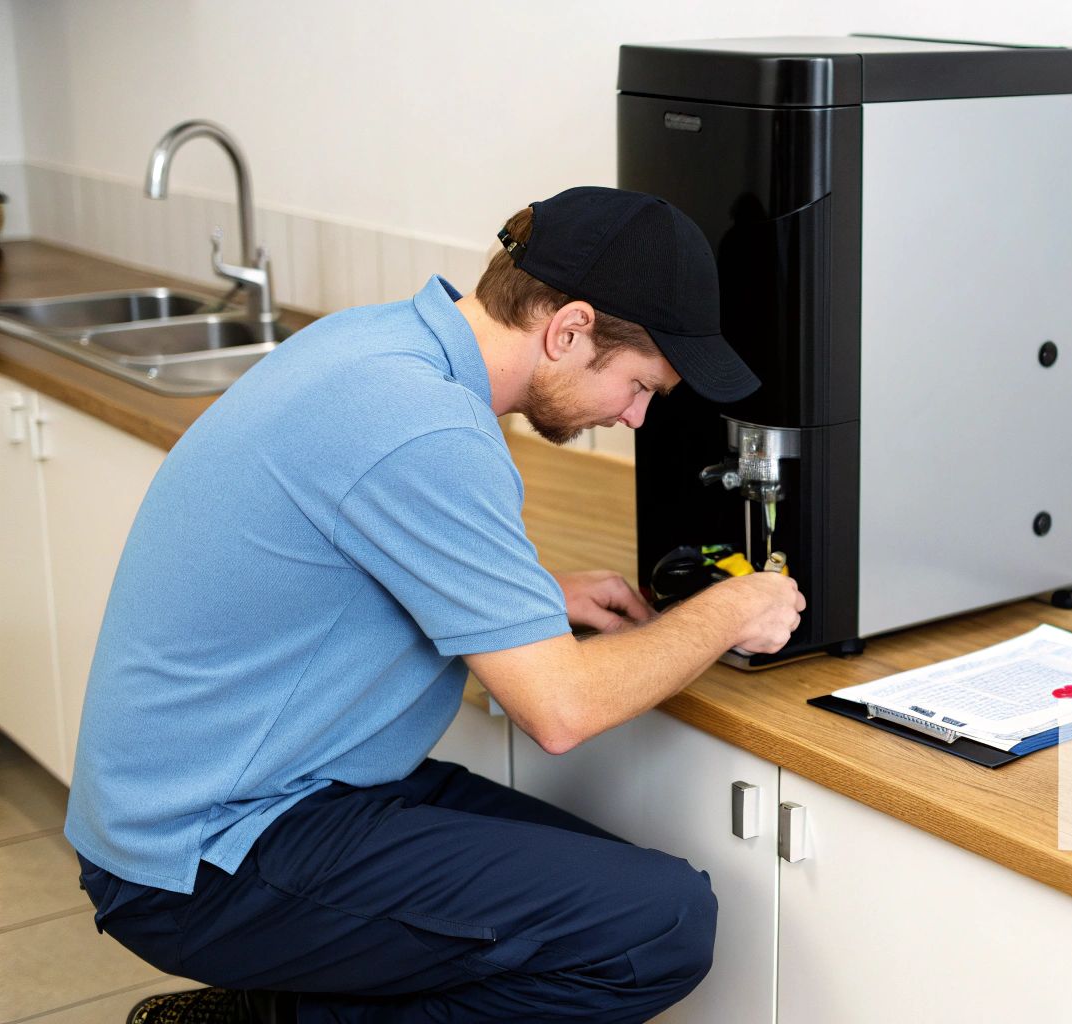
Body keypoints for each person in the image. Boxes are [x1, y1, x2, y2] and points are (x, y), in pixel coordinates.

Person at [63, 186, 805, 1024]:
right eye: (640, 386)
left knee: (609, 885)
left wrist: (529, 597)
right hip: (202, 853)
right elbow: (560, 711)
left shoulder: (379, 343)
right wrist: (728, 612)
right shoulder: (426, 428)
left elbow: (345, 546)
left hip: (247, 790)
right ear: (569, 329)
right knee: (657, 926)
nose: (635, 418)